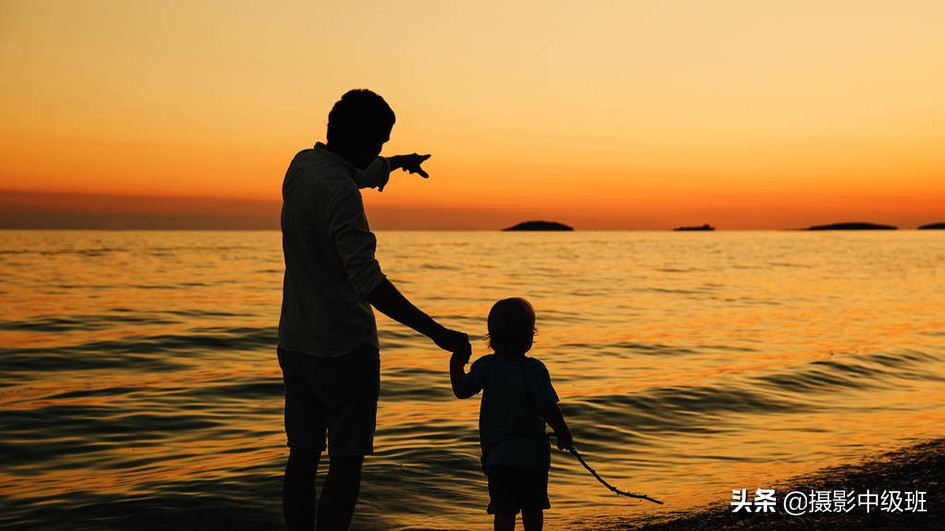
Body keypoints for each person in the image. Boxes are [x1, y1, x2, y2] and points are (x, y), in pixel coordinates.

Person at [278, 89, 471, 531]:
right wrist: (438, 333)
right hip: (345, 349)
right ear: (363, 141)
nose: (381, 149)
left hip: (295, 344)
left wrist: (396, 162)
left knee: (302, 456)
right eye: (380, 142)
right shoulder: (343, 195)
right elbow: (370, 283)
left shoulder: (301, 167)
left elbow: (352, 171)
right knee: (346, 463)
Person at [450, 298, 572, 531]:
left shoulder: (486, 367)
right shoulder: (535, 370)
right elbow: (549, 408)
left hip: (500, 458)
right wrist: (563, 432)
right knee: (533, 508)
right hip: (533, 458)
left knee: (504, 510)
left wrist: (456, 361)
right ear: (529, 337)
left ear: (492, 338)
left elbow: (461, 390)